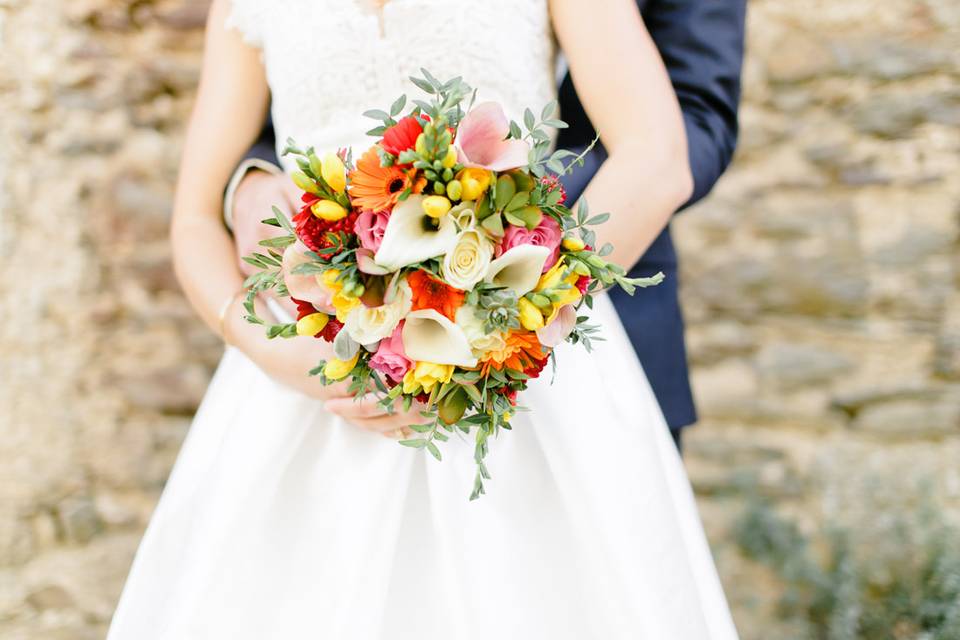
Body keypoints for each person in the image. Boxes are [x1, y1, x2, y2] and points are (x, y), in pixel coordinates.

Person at [107, 0, 744, 637]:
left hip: (517, 367)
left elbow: (657, 157)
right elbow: (193, 220)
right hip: (307, 375)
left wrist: (508, 318)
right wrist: (274, 354)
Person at [226, 0, 745, 450]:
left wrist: (509, 282)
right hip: (311, 360)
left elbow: (674, 140)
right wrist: (279, 352)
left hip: (533, 329)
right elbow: (211, 198)